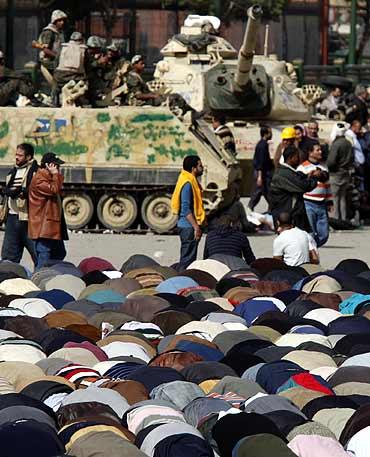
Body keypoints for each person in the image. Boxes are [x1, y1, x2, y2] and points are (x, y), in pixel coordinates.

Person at [28, 152, 68, 270]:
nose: (58, 168)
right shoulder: (40, 179)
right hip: (43, 226)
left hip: (51, 225)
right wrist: (56, 175)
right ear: (48, 165)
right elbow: (53, 190)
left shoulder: (48, 177)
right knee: (44, 254)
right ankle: (39, 278)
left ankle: (51, 273)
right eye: (56, 166)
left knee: (59, 253)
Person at [269, 145, 322, 232]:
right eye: (297, 157)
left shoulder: (288, 172)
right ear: (291, 158)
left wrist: (309, 175)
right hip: (288, 218)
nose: (299, 159)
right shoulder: (284, 173)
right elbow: (303, 186)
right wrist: (315, 177)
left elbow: (299, 178)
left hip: (291, 216)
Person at [1, 143, 38, 264]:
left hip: (29, 219)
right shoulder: (12, 172)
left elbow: (36, 192)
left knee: (38, 255)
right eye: (16, 154)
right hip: (12, 218)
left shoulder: (35, 172)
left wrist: (23, 192)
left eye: (20, 155)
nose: (16, 157)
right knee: (8, 259)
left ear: (28, 157)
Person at [171, 155, 205, 271]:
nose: (203, 168)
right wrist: (196, 227)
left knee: (188, 260)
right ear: (193, 168)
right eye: (200, 166)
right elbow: (186, 209)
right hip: (188, 227)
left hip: (187, 226)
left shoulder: (188, 179)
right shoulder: (188, 184)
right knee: (187, 263)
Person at [297, 143, 332, 247]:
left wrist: (329, 200)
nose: (320, 152)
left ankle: (311, 248)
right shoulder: (302, 168)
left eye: (320, 150)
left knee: (324, 234)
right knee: (310, 232)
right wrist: (310, 176)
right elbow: (300, 184)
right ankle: (310, 252)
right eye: (317, 150)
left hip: (321, 204)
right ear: (310, 152)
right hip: (308, 203)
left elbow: (327, 185)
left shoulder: (323, 167)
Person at [327, 122, 354, 221]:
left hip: (336, 173)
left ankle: (336, 219)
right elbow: (352, 158)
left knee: (335, 197)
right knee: (342, 197)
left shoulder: (336, 144)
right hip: (345, 173)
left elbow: (331, 161)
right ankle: (343, 219)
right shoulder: (348, 143)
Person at [248, 125, 273, 211]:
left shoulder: (263, 144)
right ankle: (250, 208)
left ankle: (271, 210)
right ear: (265, 134)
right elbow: (261, 162)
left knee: (266, 193)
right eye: (270, 132)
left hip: (263, 173)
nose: (271, 134)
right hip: (262, 173)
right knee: (258, 192)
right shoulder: (262, 145)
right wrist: (260, 176)